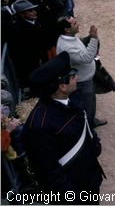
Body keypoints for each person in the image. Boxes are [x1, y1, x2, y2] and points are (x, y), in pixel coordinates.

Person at [22, 51, 105, 203]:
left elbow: (84, 125)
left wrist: (94, 144)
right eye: (73, 74)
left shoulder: (72, 97)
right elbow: (50, 175)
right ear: (62, 86)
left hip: (90, 180)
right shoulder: (39, 127)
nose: (77, 76)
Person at [56, 17, 107, 128]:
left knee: (90, 102)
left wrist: (89, 37)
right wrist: (94, 38)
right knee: (86, 106)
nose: (78, 24)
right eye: (74, 23)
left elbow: (80, 46)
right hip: (81, 83)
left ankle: (91, 121)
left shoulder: (69, 38)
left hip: (85, 79)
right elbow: (87, 57)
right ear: (67, 30)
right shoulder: (66, 46)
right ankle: (89, 129)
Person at [8, 0, 47, 94]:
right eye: (30, 10)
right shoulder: (17, 30)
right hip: (30, 65)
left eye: (34, 9)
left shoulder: (36, 22)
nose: (34, 12)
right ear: (21, 14)